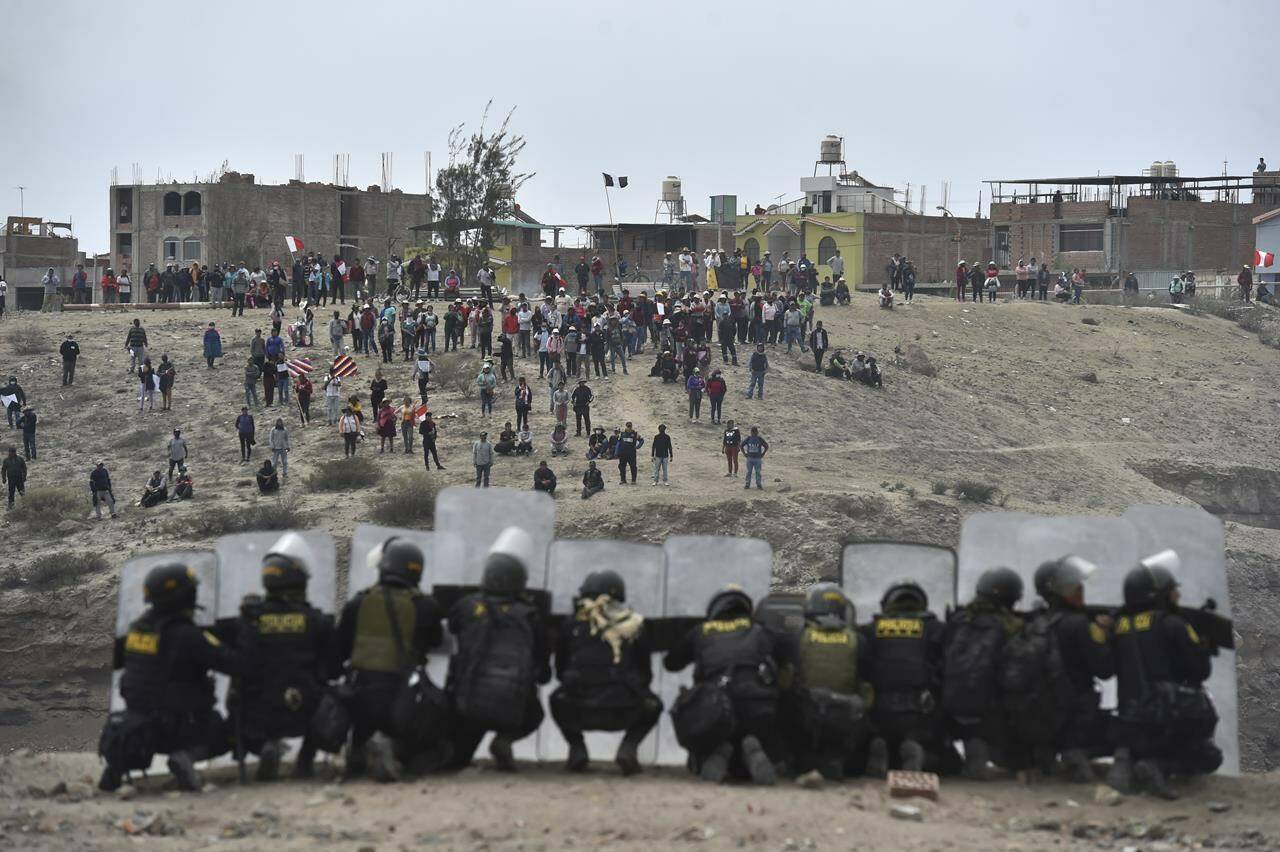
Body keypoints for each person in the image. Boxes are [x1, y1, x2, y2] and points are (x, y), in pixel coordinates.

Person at [97, 564, 242, 792]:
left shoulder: (138, 631)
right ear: (185, 596)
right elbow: (235, 664)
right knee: (231, 731)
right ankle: (185, 756)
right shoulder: (187, 636)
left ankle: (116, 767)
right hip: (179, 728)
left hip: (140, 726)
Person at [1108, 551, 1222, 799]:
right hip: (1165, 719)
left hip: (1128, 722)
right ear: (1157, 593)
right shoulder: (1174, 624)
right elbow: (1200, 672)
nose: (1177, 594)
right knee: (1211, 757)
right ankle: (1158, 767)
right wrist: (1201, 647)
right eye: (1172, 589)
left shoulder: (1117, 626)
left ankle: (1128, 755)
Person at [336, 537, 446, 781]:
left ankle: (358, 753)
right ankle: (395, 751)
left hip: (360, 696)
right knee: (439, 725)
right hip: (403, 698)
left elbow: (339, 651)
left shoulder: (358, 602)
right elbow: (435, 640)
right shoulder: (425, 605)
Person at [446, 529, 551, 771]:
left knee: (456, 761)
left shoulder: (466, 607)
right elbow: (543, 672)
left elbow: (452, 629)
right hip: (513, 707)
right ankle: (504, 740)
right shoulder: (530, 615)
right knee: (536, 714)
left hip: (467, 704)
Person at [664, 585, 784, 785]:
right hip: (758, 707)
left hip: (716, 710)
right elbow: (787, 658)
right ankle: (751, 748)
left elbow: (670, 664)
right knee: (757, 727)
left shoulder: (701, 632)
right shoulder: (760, 631)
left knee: (699, 720)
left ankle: (714, 753)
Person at [1013, 556, 1116, 782]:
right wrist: (1106, 635)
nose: (1080, 589)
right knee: (1122, 730)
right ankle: (1075, 754)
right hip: (1078, 718)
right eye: (1071, 585)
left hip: (1042, 716)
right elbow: (1106, 669)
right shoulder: (1082, 625)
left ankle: (1048, 755)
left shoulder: (1035, 624)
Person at [550, 570, 661, 774]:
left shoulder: (571, 624)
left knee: (556, 698)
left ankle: (577, 749)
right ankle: (628, 750)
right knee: (654, 705)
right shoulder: (634, 625)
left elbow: (560, 670)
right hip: (624, 709)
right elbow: (646, 673)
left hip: (578, 709)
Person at [862, 581, 951, 776]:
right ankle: (914, 745)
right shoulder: (936, 628)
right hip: (920, 712)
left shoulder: (870, 629)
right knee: (946, 761)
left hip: (878, 711)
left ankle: (879, 744)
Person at [783, 583, 872, 780]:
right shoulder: (858, 640)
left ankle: (790, 761)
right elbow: (867, 689)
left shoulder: (798, 637)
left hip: (806, 720)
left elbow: (786, 682)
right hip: (846, 721)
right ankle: (839, 761)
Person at [943, 566, 1024, 780]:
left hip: (949, 706)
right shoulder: (1011, 626)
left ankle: (973, 754)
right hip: (991, 712)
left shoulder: (958, 621)